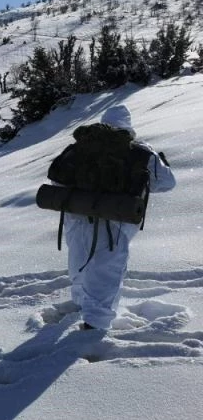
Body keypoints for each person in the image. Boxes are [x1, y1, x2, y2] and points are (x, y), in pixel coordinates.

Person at [63, 104, 175, 330]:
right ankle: (95, 325)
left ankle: (80, 302)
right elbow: (167, 182)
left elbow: (59, 178)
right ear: (129, 127)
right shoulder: (140, 151)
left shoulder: (82, 147)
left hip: (78, 213)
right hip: (114, 218)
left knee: (79, 261)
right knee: (107, 270)